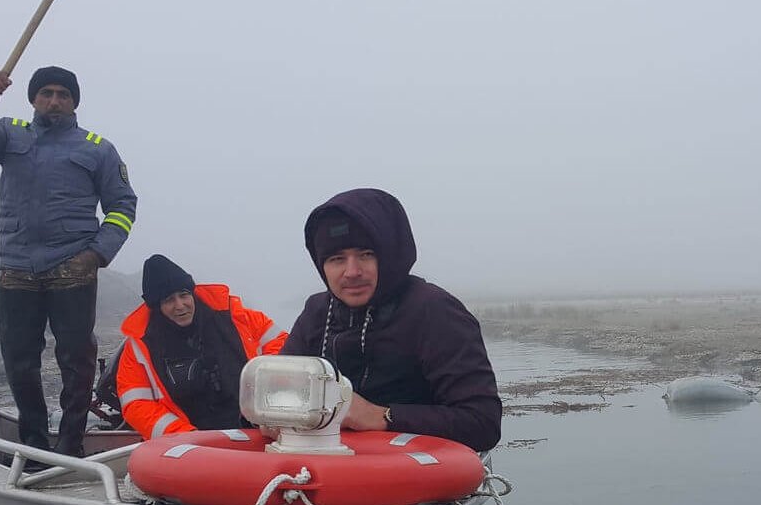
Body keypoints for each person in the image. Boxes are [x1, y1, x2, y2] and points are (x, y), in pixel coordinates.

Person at [0, 65, 138, 457]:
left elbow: (122, 205)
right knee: (19, 360)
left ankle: (71, 445)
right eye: (46, 93)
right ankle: (34, 443)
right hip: (17, 267)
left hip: (74, 269)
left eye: (63, 94)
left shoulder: (97, 149)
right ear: (33, 98)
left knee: (76, 361)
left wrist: (98, 253)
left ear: (74, 102)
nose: (54, 100)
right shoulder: (8, 133)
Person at [280, 188, 501, 452]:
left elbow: (482, 422)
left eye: (366, 254)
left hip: (420, 480)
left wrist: (381, 416)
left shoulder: (435, 311)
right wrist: (269, 418)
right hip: (327, 478)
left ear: (391, 254)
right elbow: (272, 396)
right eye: (337, 259)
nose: (352, 272)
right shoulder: (316, 312)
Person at [117, 255, 289, 439]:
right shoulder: (139, 346)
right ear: (157, 306)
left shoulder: (233, 317)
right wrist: (185, 436)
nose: (180, 305)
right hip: (190, 445)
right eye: (168, 300)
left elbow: (282, 344)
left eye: (184, 295)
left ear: (192, 293)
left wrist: (265, 399)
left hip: (255, 431)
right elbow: (136, 405)